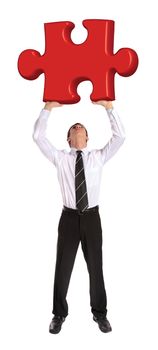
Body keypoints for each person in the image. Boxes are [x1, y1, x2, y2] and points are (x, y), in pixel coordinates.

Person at [32, 100, 125, 334]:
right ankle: (58, 314)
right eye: (73, 128)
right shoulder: (61, 158)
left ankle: (100, 314)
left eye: (81, 127)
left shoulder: (97, 157)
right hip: (69, 219)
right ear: (69, 140)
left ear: (86, 138)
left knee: (96, 267)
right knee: (62, 267)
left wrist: (109, 108)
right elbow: (38, 136)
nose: (77, 127)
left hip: (92, 218)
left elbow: (120, 137)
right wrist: (48, 108)